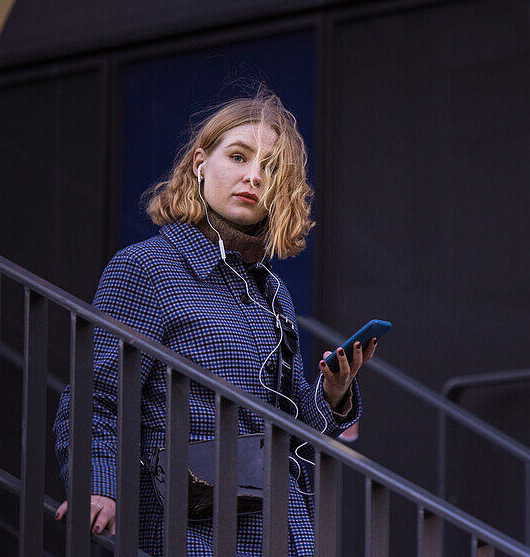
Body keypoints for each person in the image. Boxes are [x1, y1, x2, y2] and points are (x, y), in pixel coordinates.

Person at [52, 88, 375, 556]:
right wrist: (97, 485)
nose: (253, 177)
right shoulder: (148, 267)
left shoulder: (273, 291)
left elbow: (287, 428)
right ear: (201, 163)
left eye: (271, 169)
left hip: (282, 531)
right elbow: (97, 396)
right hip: (190, 530)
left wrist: (333, 394)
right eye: (239, 156)